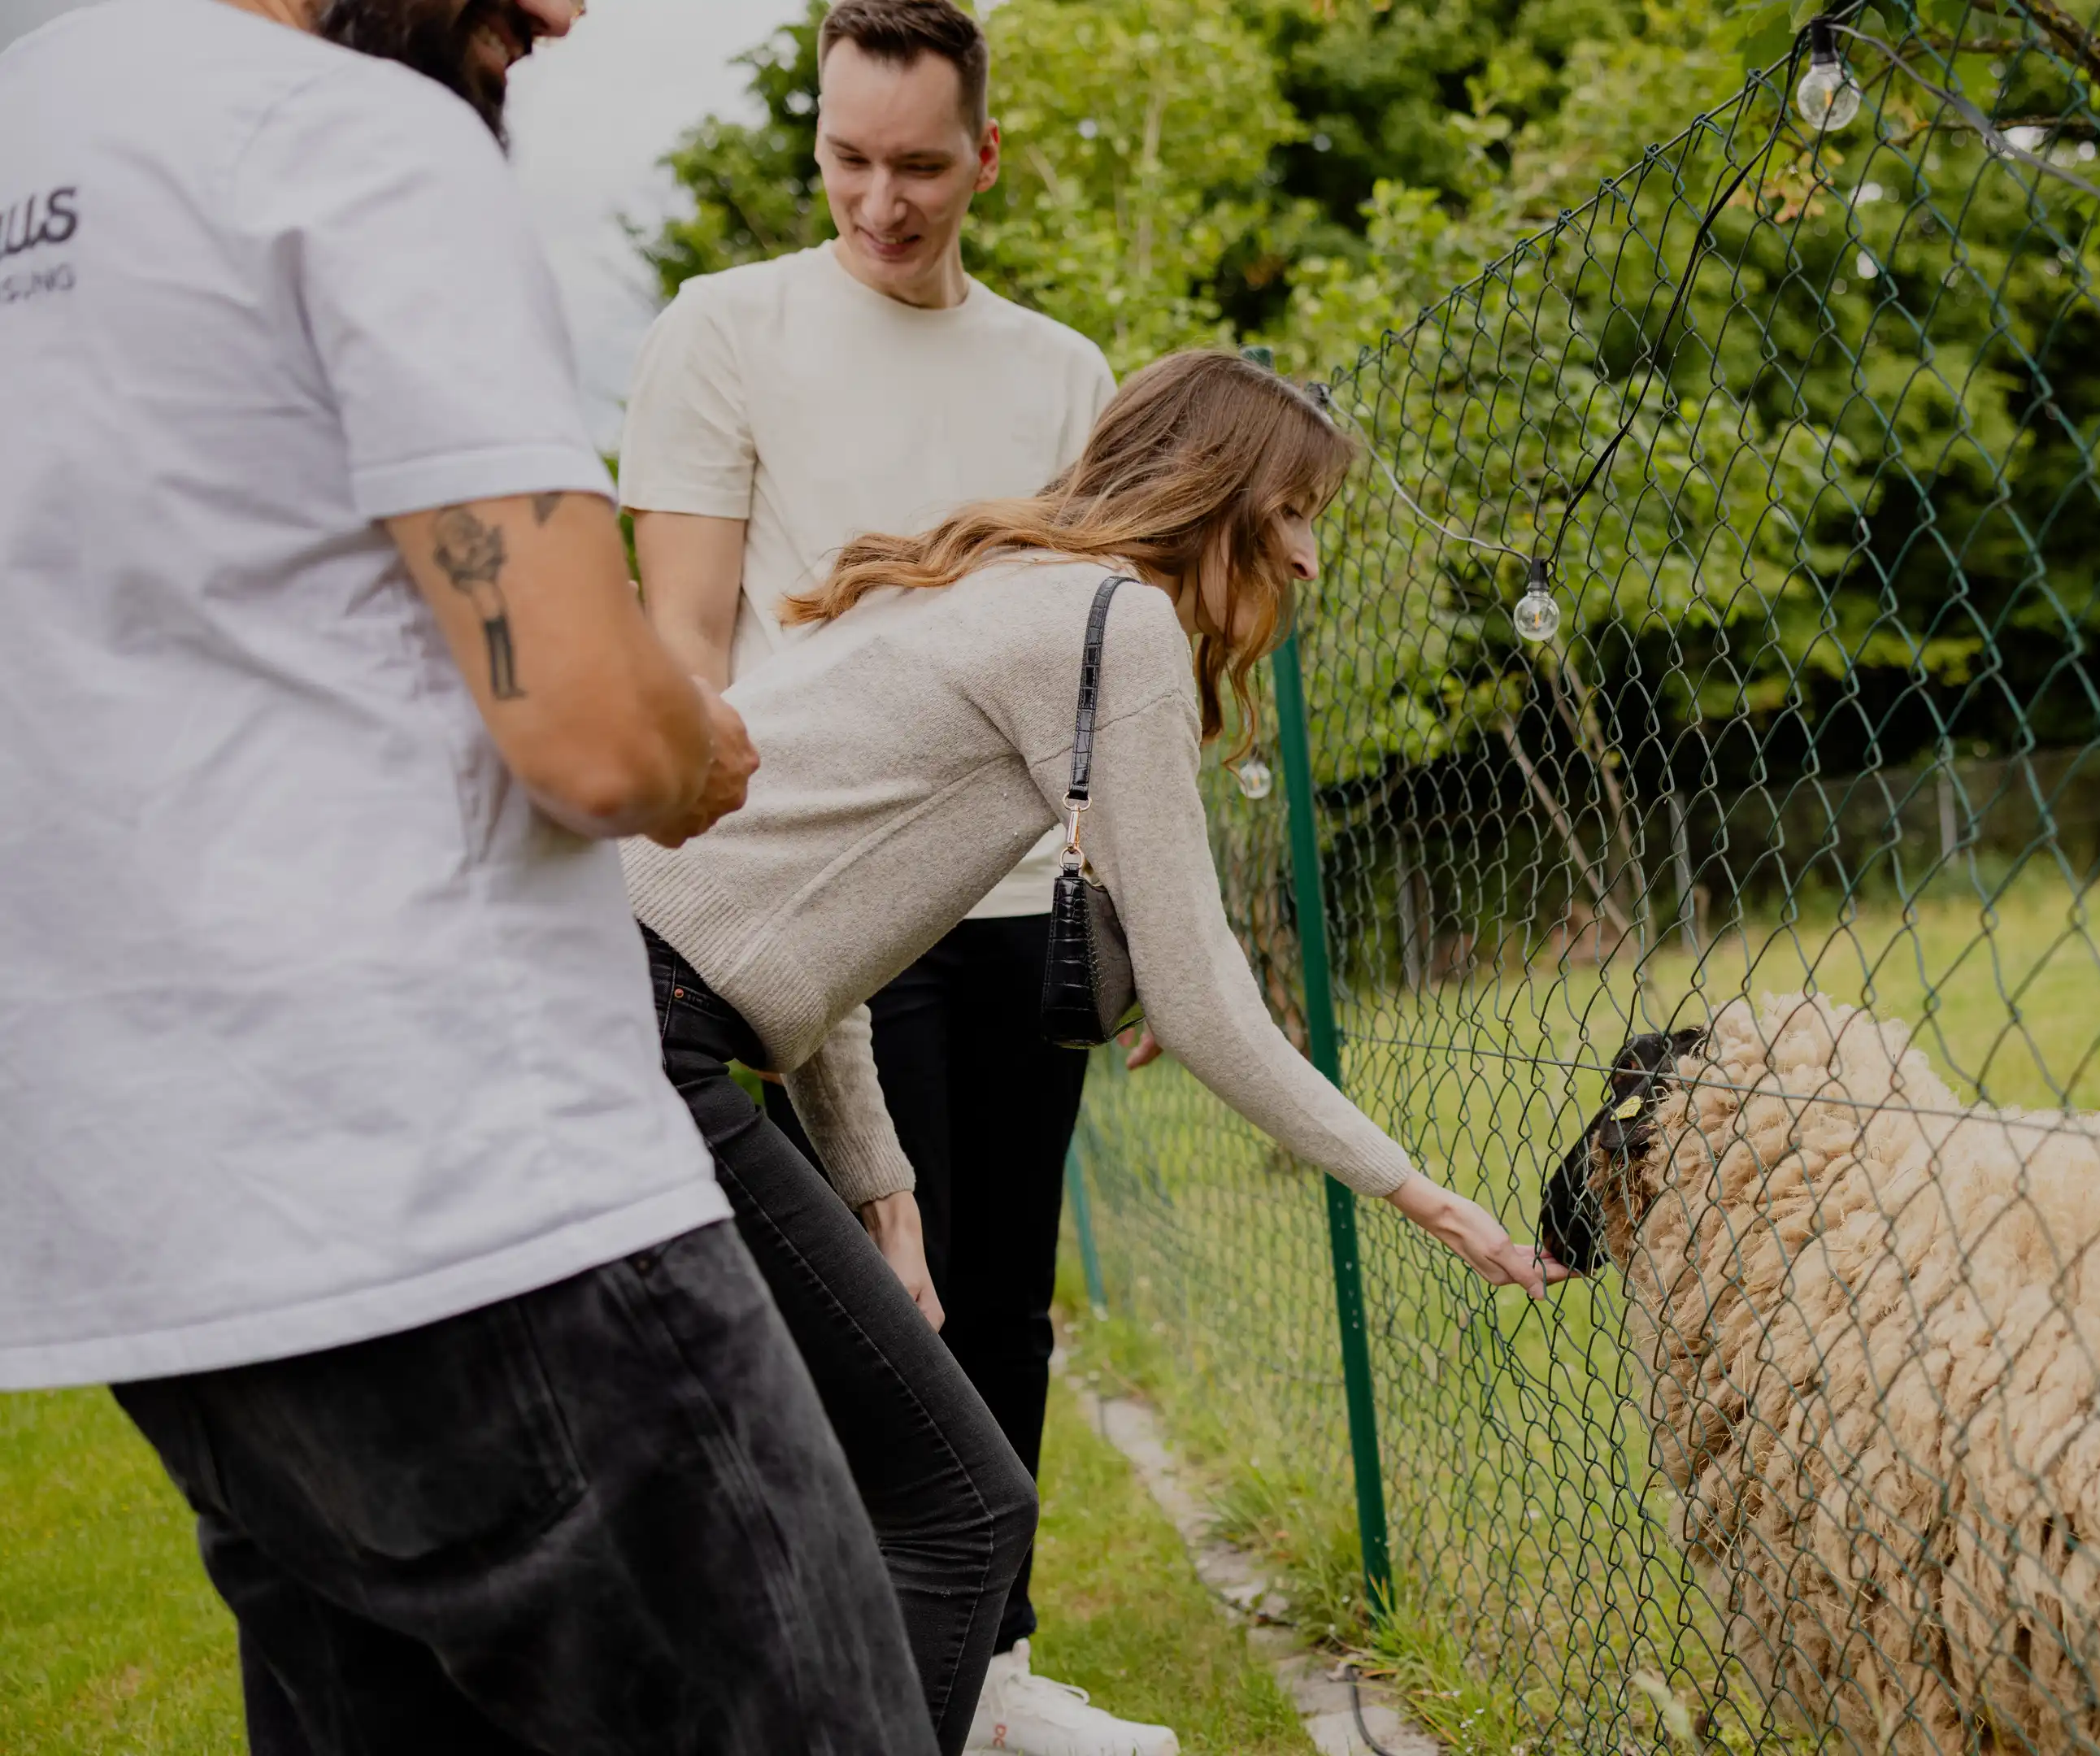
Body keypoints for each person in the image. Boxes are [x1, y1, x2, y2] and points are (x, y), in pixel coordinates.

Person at [0, 0, 941, 1752]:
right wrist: (696, 741)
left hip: (160, 1255)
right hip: (473, 1210)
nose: (565, 12)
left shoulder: (38, 121)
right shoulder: (353, 139)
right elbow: (596, 735)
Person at [623, 348, 1568, 1755]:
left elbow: (813, 935)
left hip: (624, 1002)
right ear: (1215, 492)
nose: (1308, 560)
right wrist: (1419, 1193)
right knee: (961, 1501)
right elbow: (1199, 993)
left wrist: (883, 1191)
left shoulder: (983, 576)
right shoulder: (1113, 624)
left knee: (867, 1484)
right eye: (1293, 514)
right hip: (655, 1032)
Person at [614, 10, 1137, 1744]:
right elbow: (684, 643)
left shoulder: (1062, 373)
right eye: (848, 159)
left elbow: (1092, 670)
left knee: (1005, 1300)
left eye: (919, 165)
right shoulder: (725, 331)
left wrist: (1130, 901)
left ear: (986, 156)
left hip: (1014, 898)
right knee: (883, 1313)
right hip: (816, 905)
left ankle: (994, 1680)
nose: (880, 201)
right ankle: (860, 1675)